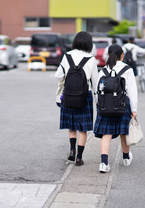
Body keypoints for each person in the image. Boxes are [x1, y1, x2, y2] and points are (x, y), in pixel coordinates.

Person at [55, 31, 99, 166]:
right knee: (83, 129)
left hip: (68, 95)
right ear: (89, 44)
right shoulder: (91, 59)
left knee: (72, 127)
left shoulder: (67, 56)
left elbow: (58, 75)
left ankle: (72, 152)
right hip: (85, 97)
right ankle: (79, 158)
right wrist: (98, 102)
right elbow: (96, 83)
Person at [94, 44, 138, 173]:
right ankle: (125, 158)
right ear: (122, 55)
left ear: (108, 55)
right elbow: (132, 91)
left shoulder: (103, 70)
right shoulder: (127, 69)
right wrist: (134, 109)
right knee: (123, 132)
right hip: (122, 105)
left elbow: (97, 90)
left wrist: (99, 106)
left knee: (106, 135)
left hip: (105, 107)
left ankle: (103, 163)